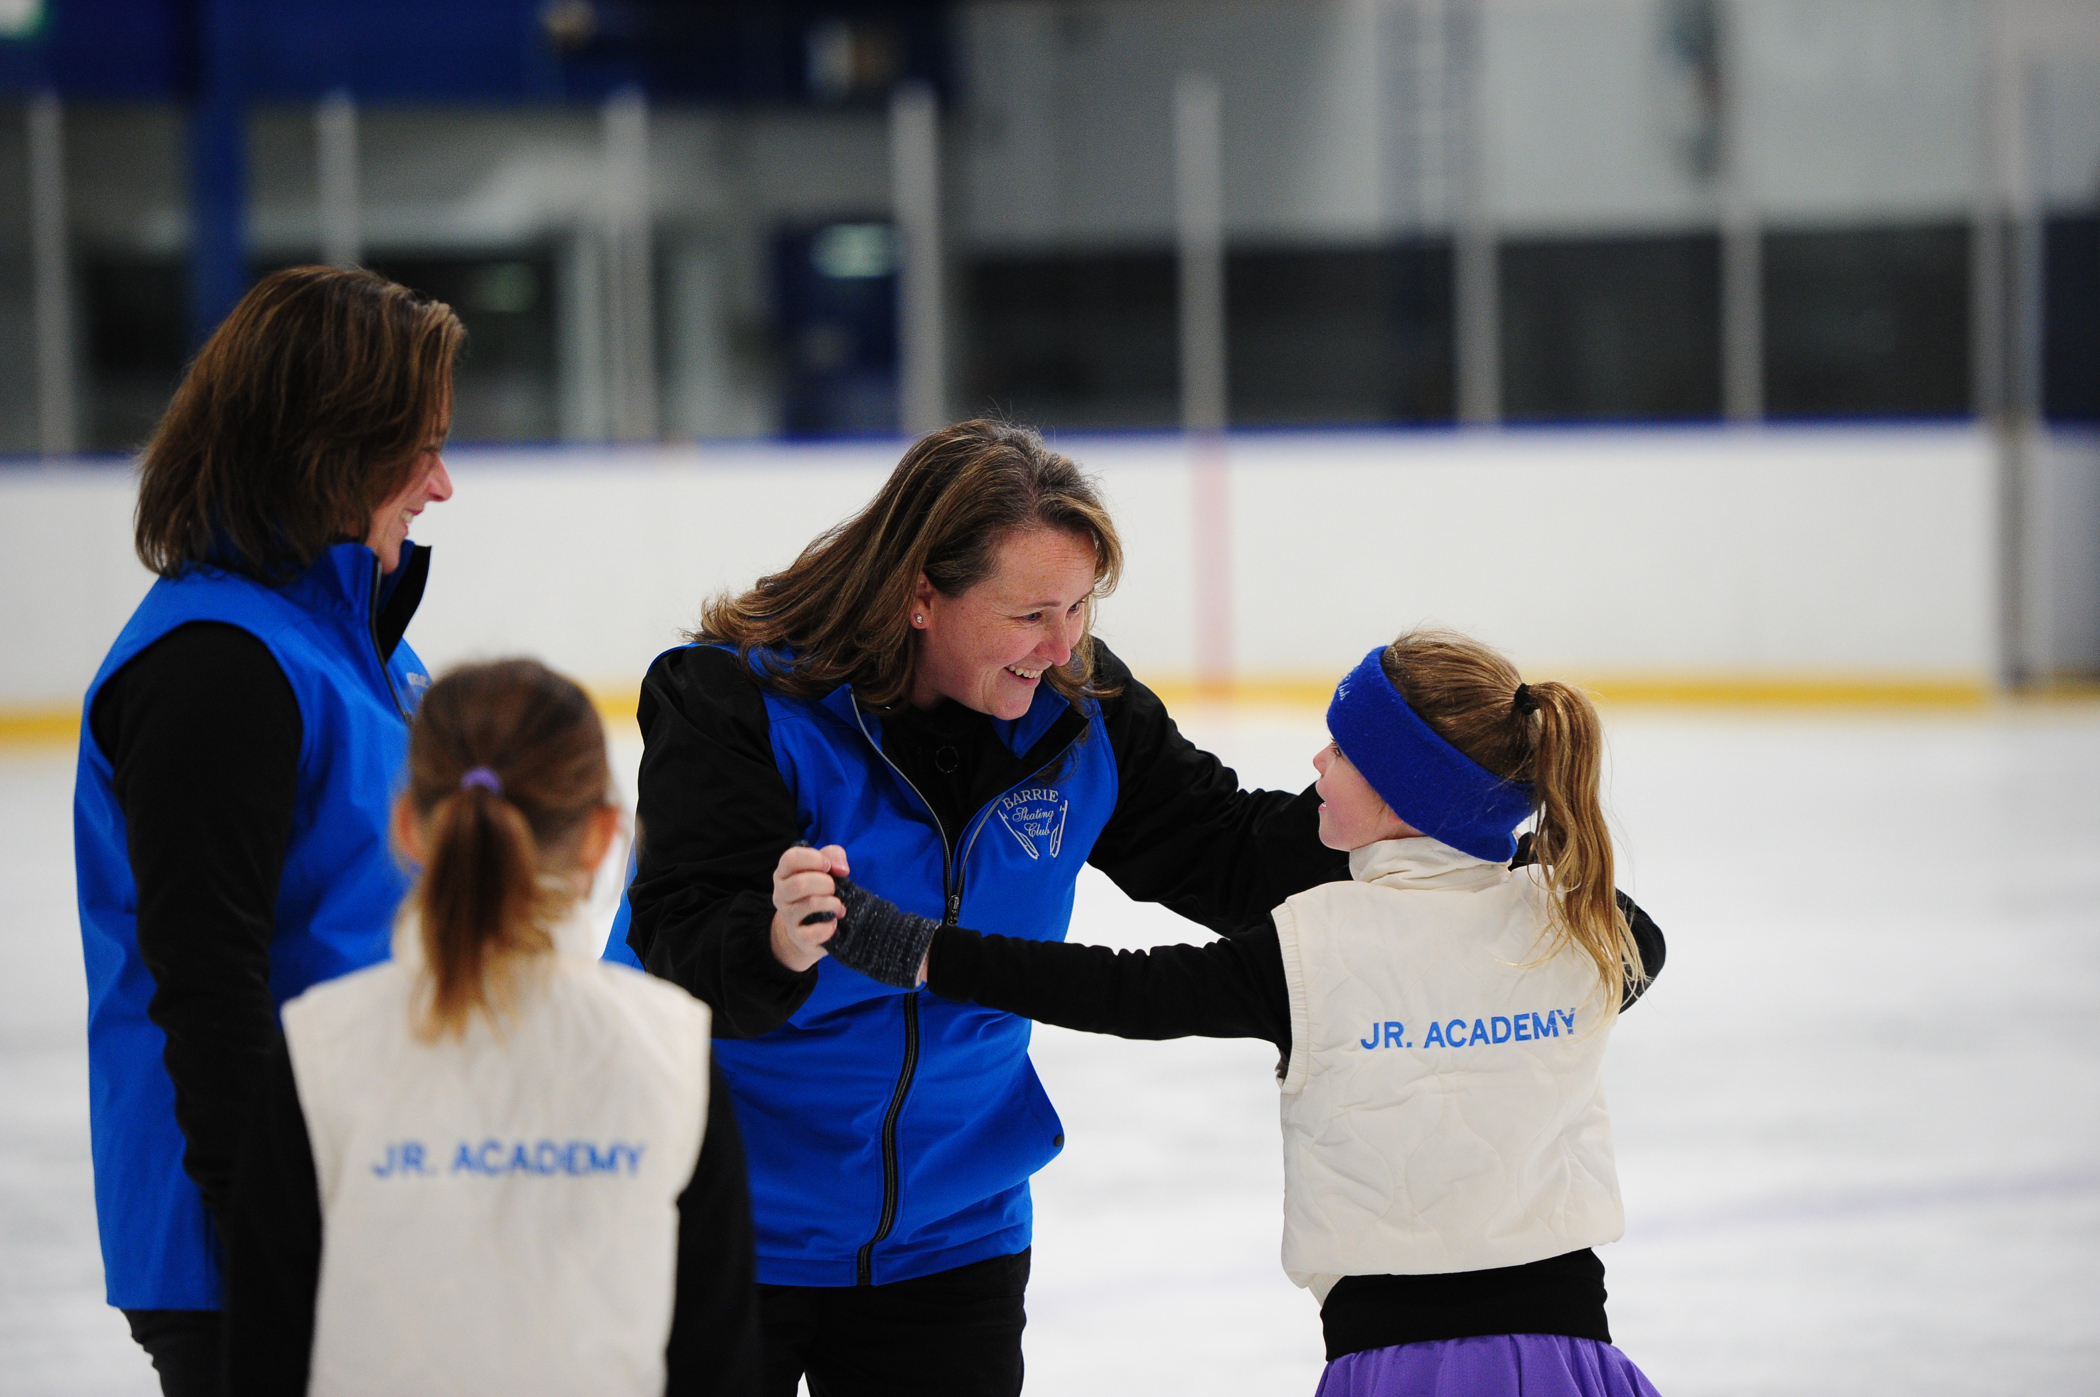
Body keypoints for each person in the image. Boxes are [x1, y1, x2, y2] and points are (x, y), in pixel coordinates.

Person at [611, 419, 1350, 1395]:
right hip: (717, 1213)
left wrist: (1416, 827)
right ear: (922, 593)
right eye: (1032, 612)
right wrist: (773, 939)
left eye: (1081, 606)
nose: (1064, 644)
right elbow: (676, 942)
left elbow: (1227, 853)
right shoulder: (737, 702)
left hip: (950, 1227)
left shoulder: (1082, 708)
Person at [828, 628, 1668, 1396]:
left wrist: (927, 948)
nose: (1316, 761)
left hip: (1402, 1364)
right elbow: (1642, 948)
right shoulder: (1583, 925)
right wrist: (1479, 848)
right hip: (1573, 1358)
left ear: (1405, 792)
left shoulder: (1312, 948)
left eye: (1341, 751)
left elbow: (1123, 991)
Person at [72, 266, 461, 1395]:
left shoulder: (353, 640)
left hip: (370, 1200)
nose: (441, 483)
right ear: (328, 448)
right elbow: (208, 978)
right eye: (418, 446)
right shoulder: (218, 667)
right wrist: (278, 1248)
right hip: (273, 1245)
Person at [221, 659, 760, 1396]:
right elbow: (716, 1362)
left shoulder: (322, 1048)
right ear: (606, 835)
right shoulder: (672, 1052)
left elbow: (264, 1353)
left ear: (409, 823)